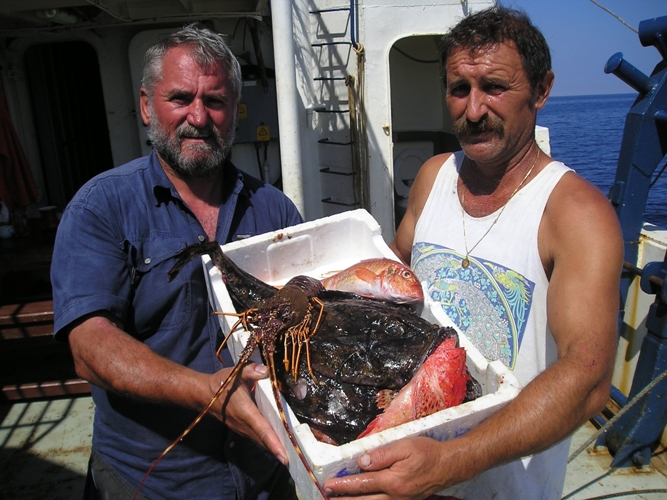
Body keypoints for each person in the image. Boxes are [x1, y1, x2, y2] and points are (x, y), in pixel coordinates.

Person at [325, 6, 623, 500]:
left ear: (542, 90)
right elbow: (393, 278)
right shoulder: (433, 177)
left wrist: (449, 462)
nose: (474, 108)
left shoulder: (574, 213)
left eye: (495, 87)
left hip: (502, 485)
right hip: (403, 471)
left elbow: (588, 376)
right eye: (459, 89)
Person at [51, 25, 303, 500]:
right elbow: (90, 345)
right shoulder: (99, 206)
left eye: (215, 101)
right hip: (151, 482)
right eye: (180, 98)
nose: (198, 117)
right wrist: (205, 390)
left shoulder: (275, 210)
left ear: (234, 111)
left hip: (265, 477)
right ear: (147, 105)